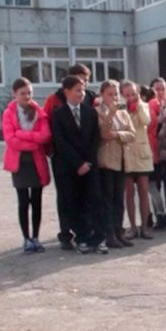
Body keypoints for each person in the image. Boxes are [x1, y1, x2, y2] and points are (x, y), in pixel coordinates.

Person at [51, 76, 106, 254]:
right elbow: (60, 143)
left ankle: (98, 238)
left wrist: (88, 162)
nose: (81, 93)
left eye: (82, 90)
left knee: (95, 200)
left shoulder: (90, 112)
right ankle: (81, 237)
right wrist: (78, 163)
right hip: (69, 168)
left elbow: (95, 139)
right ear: (66, 91)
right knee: (74, 202)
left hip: (89, 166)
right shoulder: (58, 115)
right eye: (77, 90)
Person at [2, 77, 53, 253]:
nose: (26, 96)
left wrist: (22, 134)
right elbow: (11, 139)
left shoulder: (38, 112)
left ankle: (37, 237)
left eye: (29, 92)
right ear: (14, 94)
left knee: (37, 200)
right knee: (23, 201)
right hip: (19, 162)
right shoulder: (9, 113)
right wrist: (32, 140)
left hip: (36, 160)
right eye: (22, 93)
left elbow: (45, 135)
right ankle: (26, 238)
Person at [96, 80, 136, 248]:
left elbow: (132, 133)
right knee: (108, 199)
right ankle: (109, 233)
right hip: (106, 161)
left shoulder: (123, 112)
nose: (113, 98)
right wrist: (110, 114)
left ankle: (119, 231)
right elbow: (104, 134)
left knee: (119, 198)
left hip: (121, 159)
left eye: (116, 94)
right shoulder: (98, 111)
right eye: (109, 94)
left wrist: (118, 134)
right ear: (102, 95)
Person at [120, 80, 155, 239]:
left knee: (143, 190)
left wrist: (139, 105)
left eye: (133, 93)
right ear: (122, 95)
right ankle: (132, 226)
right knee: (129, 192)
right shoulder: (120, 109)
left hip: (141, 154)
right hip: (126, 154)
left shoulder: (144, 106)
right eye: (127, 95)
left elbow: (146, 121)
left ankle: (145, 227)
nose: (131, 97)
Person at [148, 77, 166, 230]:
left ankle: (161, 215)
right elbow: (153, 124)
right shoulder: (152, 104)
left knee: (155, 185)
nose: (161, 92)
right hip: (153, 150)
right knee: (152, 185)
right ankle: (158, 215)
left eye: (163, 88)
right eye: (157, 89)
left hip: (163, 151)